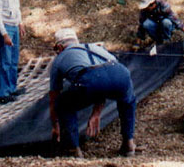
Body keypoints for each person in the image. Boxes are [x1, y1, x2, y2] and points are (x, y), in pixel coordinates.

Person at [48, 28, 138, 158]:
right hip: (120, 73)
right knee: (128, 101)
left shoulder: (59, 60)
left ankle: (73, 149)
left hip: (90, 78)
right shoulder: (96, 47)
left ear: (60, 47)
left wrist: (55, 125)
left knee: (63, 104)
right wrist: (96, 113)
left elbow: (53, 97)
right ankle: (128, 142)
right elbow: (105, 77)